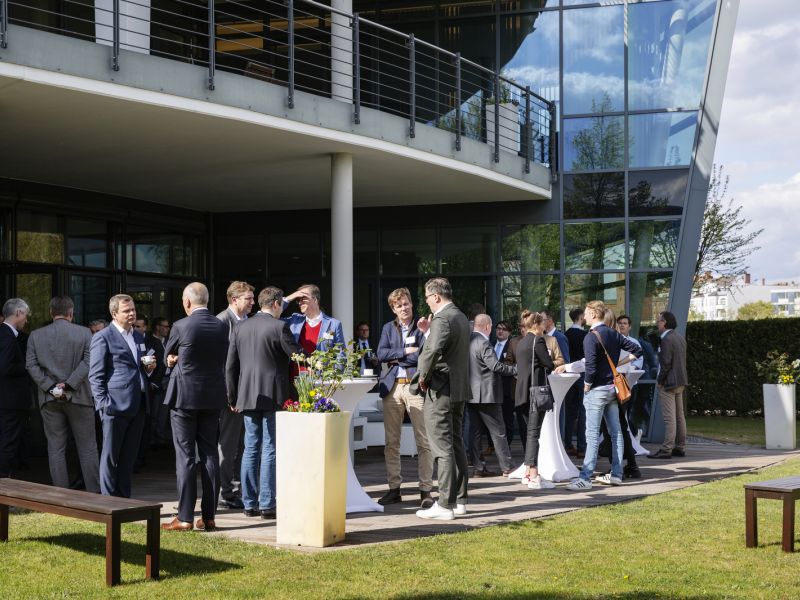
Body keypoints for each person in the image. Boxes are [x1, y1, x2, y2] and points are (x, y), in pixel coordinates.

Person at [226, 286, 301, 520]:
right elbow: (298, 356)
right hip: (273, 395)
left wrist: (232, 397)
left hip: (247, 396)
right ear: (276, 304)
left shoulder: (240, 327)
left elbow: (230, 366)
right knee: (269, 448)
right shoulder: (279, 327)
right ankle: (267, 503)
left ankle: (249, 503)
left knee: (250, 448)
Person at [162, 282, 229, 532]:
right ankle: (209, 517)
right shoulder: (221, 326)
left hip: (184, 398)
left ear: (187, 301)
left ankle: (185, 517)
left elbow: (168, 355)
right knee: (210, 454)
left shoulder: (181, 325)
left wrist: (172, 360)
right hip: (212, 397)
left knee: (186, 456)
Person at [25, 296, 100, 492]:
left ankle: (61, 493)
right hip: (80, 396)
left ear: (51, 313)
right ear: (71, 312)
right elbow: (89, 361)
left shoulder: (35, 335)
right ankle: (95, 493)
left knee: (55, 448)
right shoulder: (85, 333)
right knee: (87, 447)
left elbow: (31, 365)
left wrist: (50, 387)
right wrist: (69, 384)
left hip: (49, 398)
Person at [566, 301, 642, 491]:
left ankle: (585, 478)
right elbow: (637, 351)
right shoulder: (614, 333)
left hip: (597, 390)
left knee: (592, 435)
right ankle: (616, 474)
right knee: (616, 433)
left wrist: (586, 385)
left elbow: (590, 367)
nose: (584, 315)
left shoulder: (591, 336)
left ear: (593, 314)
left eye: (586, 312)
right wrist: (617, 365)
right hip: (612, 390)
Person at [412, 278, 471, 521]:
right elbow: (446, 348)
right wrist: (428, 331)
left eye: (427, 297)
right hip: (458, 389)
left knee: (442, 447)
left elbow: (432, 351)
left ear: (436, 296)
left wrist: (421, 378)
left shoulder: (443, 318)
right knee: (455, 444)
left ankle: (445, 505)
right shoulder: (460, 317)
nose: (426, 302)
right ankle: (459, 501)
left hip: (441, 389)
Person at [89, 294, 156, 497]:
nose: (132, 314)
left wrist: (149, 369)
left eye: (133, 309)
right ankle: (108, 501)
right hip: (114, 406)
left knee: (129, 457)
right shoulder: (103, 337)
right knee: (110, 457)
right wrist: (103, 404)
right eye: (126, 311)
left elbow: (139, 368)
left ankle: (124, 500)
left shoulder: (138, 336)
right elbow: (95, 376)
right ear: (114, 314)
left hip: (139, 404)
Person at [375, 288, 434, 509]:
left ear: (411, 304)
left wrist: (399, 358)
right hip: (392, 388)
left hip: (415, 387)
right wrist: (404, 352)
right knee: (391, 442)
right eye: (399, 305)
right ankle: (394, 489)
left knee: (423, 441)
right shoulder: (387, 328)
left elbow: (423, 356)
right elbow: (381, 354)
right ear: (393, 309)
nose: (403, 308)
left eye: (406, 304)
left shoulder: (422, 327)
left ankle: (426, 490)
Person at [215, 280, 255, 511]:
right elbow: (222, 364)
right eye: (248, 298)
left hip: (247, 393)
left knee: (244, 444)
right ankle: (226, 493)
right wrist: (231, 396)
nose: (252, 302)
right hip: (230, 396)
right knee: (228, 445)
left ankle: (239, 490)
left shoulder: (248, 321)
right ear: (234, 300)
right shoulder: (222, 322)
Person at [467, 314, 517, 477]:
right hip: (487, 395)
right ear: (487, 326)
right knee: (498, 432)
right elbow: (495, 366)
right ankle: (507, 467)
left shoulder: (468, 341)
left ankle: (478, 468)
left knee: (475, 433)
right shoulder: (483, 343)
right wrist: (515, 370)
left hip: (472, 394)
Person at [512, 311, 556, 489]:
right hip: (535, 393)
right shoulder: (538, 341)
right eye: (543, 323)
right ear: (537, 324)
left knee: (529, 433)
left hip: (522, 394)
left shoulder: (521, 342)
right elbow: (549, 364)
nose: (545, 326)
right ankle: (533, 475)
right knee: (533, 434)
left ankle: (527, 473)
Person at [648, 311, 688, 460]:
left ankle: (666, 450)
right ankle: (680, 447)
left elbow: (665, 364)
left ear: (664, 323)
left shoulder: (666, 339)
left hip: (668, 383)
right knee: (679, 416)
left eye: (659, 321)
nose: (657, 323)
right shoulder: (679, 337)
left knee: (669, 418)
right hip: (680, 381)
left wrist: (660, 381)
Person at [0, 298, 32, 478]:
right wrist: (27, 367)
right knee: (8, 443)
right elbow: (4, 367)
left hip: (6, 400)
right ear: (18, 313)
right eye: (25, 315)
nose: (26, 320)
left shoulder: (5, 333)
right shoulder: (7, 336)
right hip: (10, 401)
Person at [282, 284, 345, 355]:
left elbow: (340, 353)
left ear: (315, 299)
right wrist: (288, 299)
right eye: (298, 300)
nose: (300, 302)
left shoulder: (333, 324)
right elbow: (273, 316)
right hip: (297, 363)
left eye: (303, 298)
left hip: (322, 362)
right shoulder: (294, 320)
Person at [564, 308, 587, 458]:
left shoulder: (566, 334)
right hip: (582, 373)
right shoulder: (585, 335)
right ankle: (581, 447)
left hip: (568, 375)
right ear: (580, 317)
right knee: (583, 411)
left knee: (570, 411)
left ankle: (568, 444)